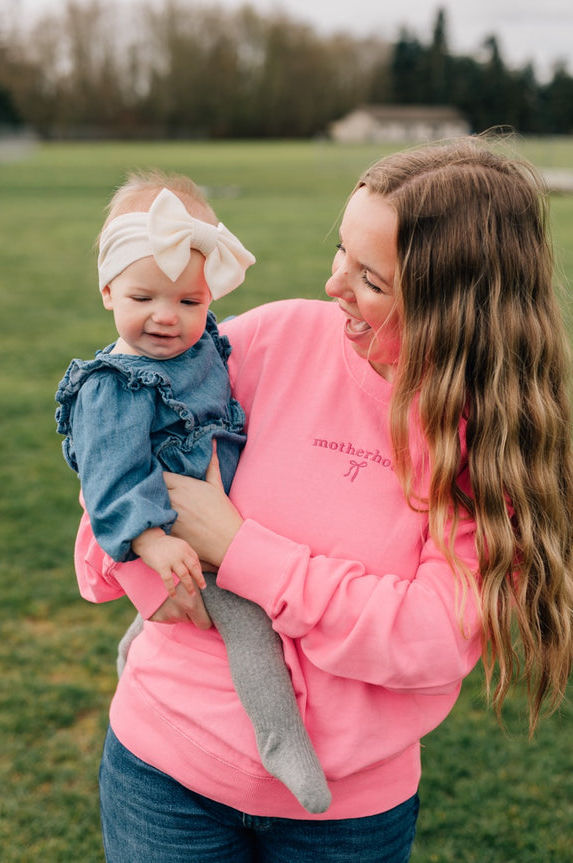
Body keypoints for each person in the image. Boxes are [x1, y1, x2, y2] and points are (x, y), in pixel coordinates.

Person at [73, 137, 573, 863]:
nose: (333, 282)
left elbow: (430, 637)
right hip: (163, 774)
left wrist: (240, 549)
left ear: (449, 305)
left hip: (347, 817)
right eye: (339, 250)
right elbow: (113, 482)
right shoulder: (270, 338)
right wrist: (150, 565)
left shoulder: (484, 444)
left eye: (369, 276)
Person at [56, 170, 332, 814]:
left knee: (177, 615)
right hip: (177, 535)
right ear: (107, 290)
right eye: (144, 296)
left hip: (211, 515)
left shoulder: (202, 346)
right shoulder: (112, 385)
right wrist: (150, 541)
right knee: (252, 625)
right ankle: (280, 737)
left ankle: (137, 643)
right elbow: (108, 478)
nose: (166, 317)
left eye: (190, 302)